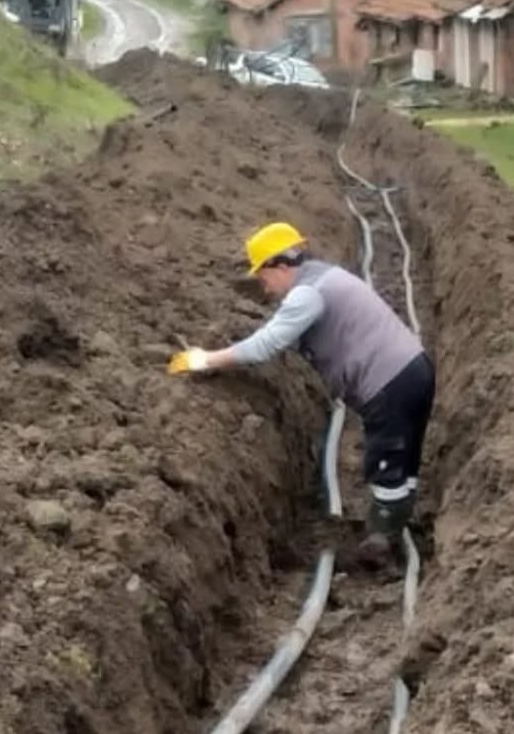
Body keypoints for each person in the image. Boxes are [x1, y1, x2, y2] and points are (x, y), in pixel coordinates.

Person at [166, 221, 436, 566]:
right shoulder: (324, 275)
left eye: (262, 275)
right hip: (414, 368)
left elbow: (266, 344)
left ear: (279, 265)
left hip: (388, 381)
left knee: (387, 459)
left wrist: (205, 359)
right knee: (405, 454)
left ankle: (383, 542)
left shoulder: (307, 294)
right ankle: (397, 521)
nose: (262, 285)